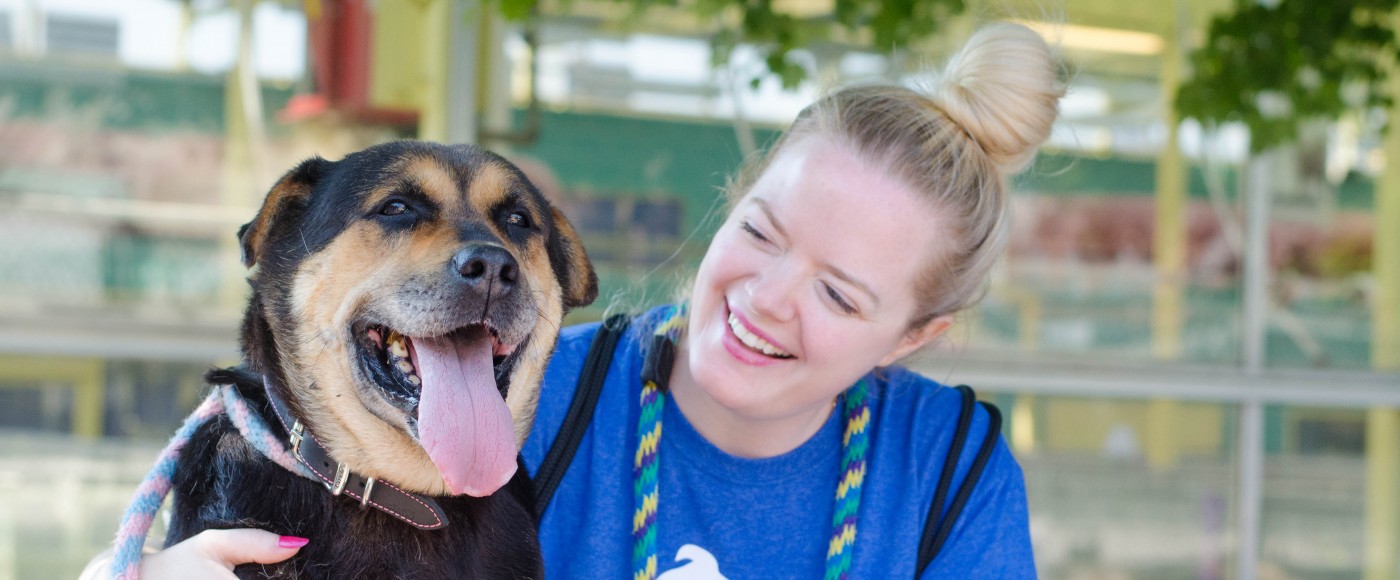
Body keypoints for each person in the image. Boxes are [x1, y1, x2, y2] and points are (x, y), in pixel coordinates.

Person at [88, 21, 1062, 579]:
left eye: (841, 295)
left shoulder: (945, 470)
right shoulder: (515, 391)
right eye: (761, 233)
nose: (766, 299)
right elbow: (241, 472)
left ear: (915, 336)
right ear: (730, 202)